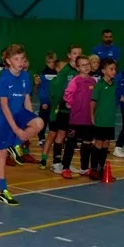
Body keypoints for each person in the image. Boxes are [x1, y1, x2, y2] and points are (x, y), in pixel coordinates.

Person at [0, 44, 38, 203]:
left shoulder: (25, 76)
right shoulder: (3, 78)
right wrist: (17, 129)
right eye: (16, 59)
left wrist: (28, 123)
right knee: (2, 154)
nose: (20, 62)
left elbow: (27, 99)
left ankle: (15, 144)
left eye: (22, 59)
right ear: (8, 61)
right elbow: (4, 106)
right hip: (2, 117)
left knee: (38, 122)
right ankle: (2, 190)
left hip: (18, 113)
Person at [60, 55, 95, 179]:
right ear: (78, 67)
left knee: (87, 143)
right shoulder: (75, 80)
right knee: (71, 143)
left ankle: (84, 168)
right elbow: (67, 94)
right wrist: (71, 103)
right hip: (76, 119)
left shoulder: (93, 81)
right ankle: (65, 168)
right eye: (83, 65)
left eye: (87, 64)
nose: (86, 67)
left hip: (88, 119)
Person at [48, 45, 80, 173]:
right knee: (61, 134)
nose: (77, 55)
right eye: (74, 53)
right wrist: (61, 102)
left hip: (75, 110)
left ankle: (66, 163)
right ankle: (56, 162)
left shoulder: (80, 71)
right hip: (64, 108)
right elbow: (56, 86)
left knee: (71, 136)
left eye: (79, 53)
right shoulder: (65, 70)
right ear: (69, 55)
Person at [89, 58, 119, 179]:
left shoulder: (115, 86)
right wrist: (92, 116)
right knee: (99, 143)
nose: (114, 71)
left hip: (110, 120)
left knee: (106, 143)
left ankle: (101, 168)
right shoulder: (99, 85)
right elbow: (93, 102)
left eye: (115, 69)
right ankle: (94, 169)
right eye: (111, 69)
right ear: (103, 71)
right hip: (100, 119)